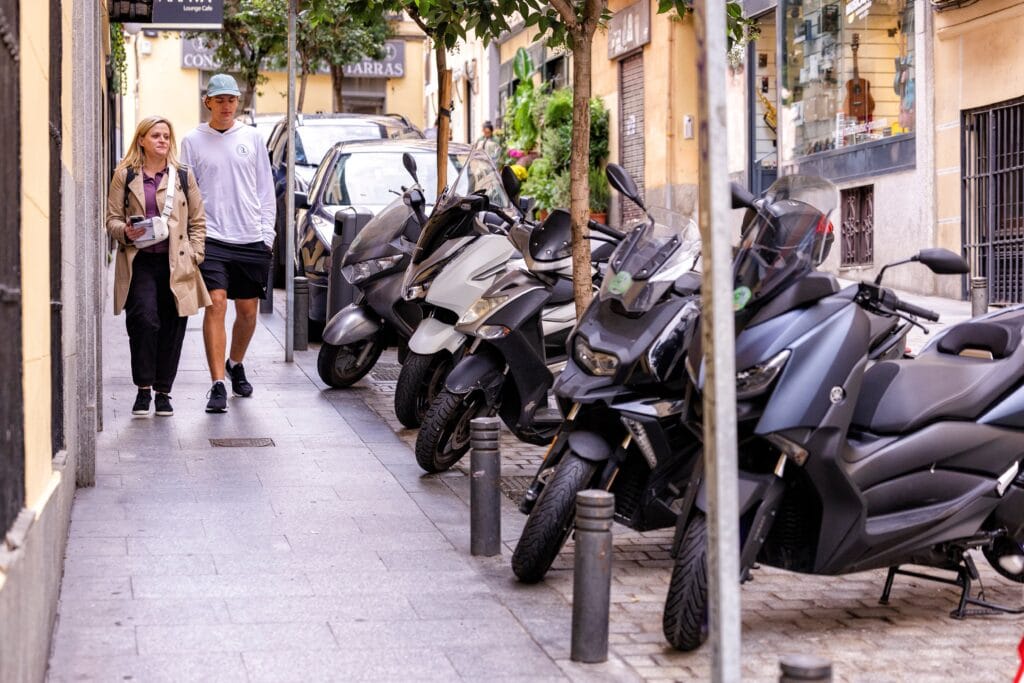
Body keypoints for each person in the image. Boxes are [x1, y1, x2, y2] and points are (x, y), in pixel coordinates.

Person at [180, 74, 276, 414]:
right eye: (219, 99)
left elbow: (265, 189)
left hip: (250, 237)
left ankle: (235, 363)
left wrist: (267, 235)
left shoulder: (252, 138)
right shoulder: (192, 140)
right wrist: (191, 237)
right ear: (208, 102)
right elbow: (185, 192)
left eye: (231, 99)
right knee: (216, 304)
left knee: (248, 313)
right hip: (211, 238)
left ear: (238, 102)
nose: (226, 105)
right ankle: (218, 383)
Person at [105, 116, 211, 417]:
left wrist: (195, 255)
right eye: (155, 135)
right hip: (139, 261)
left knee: (173, 325)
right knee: (143, 320)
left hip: (177, 262)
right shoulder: (124, 175)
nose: (162, 140)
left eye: (166, 136)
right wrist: (125, 231)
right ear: (141, 140)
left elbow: (198, 221)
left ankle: (163, 392)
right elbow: (111, 219)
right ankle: (143, 389)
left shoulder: (183, 175)